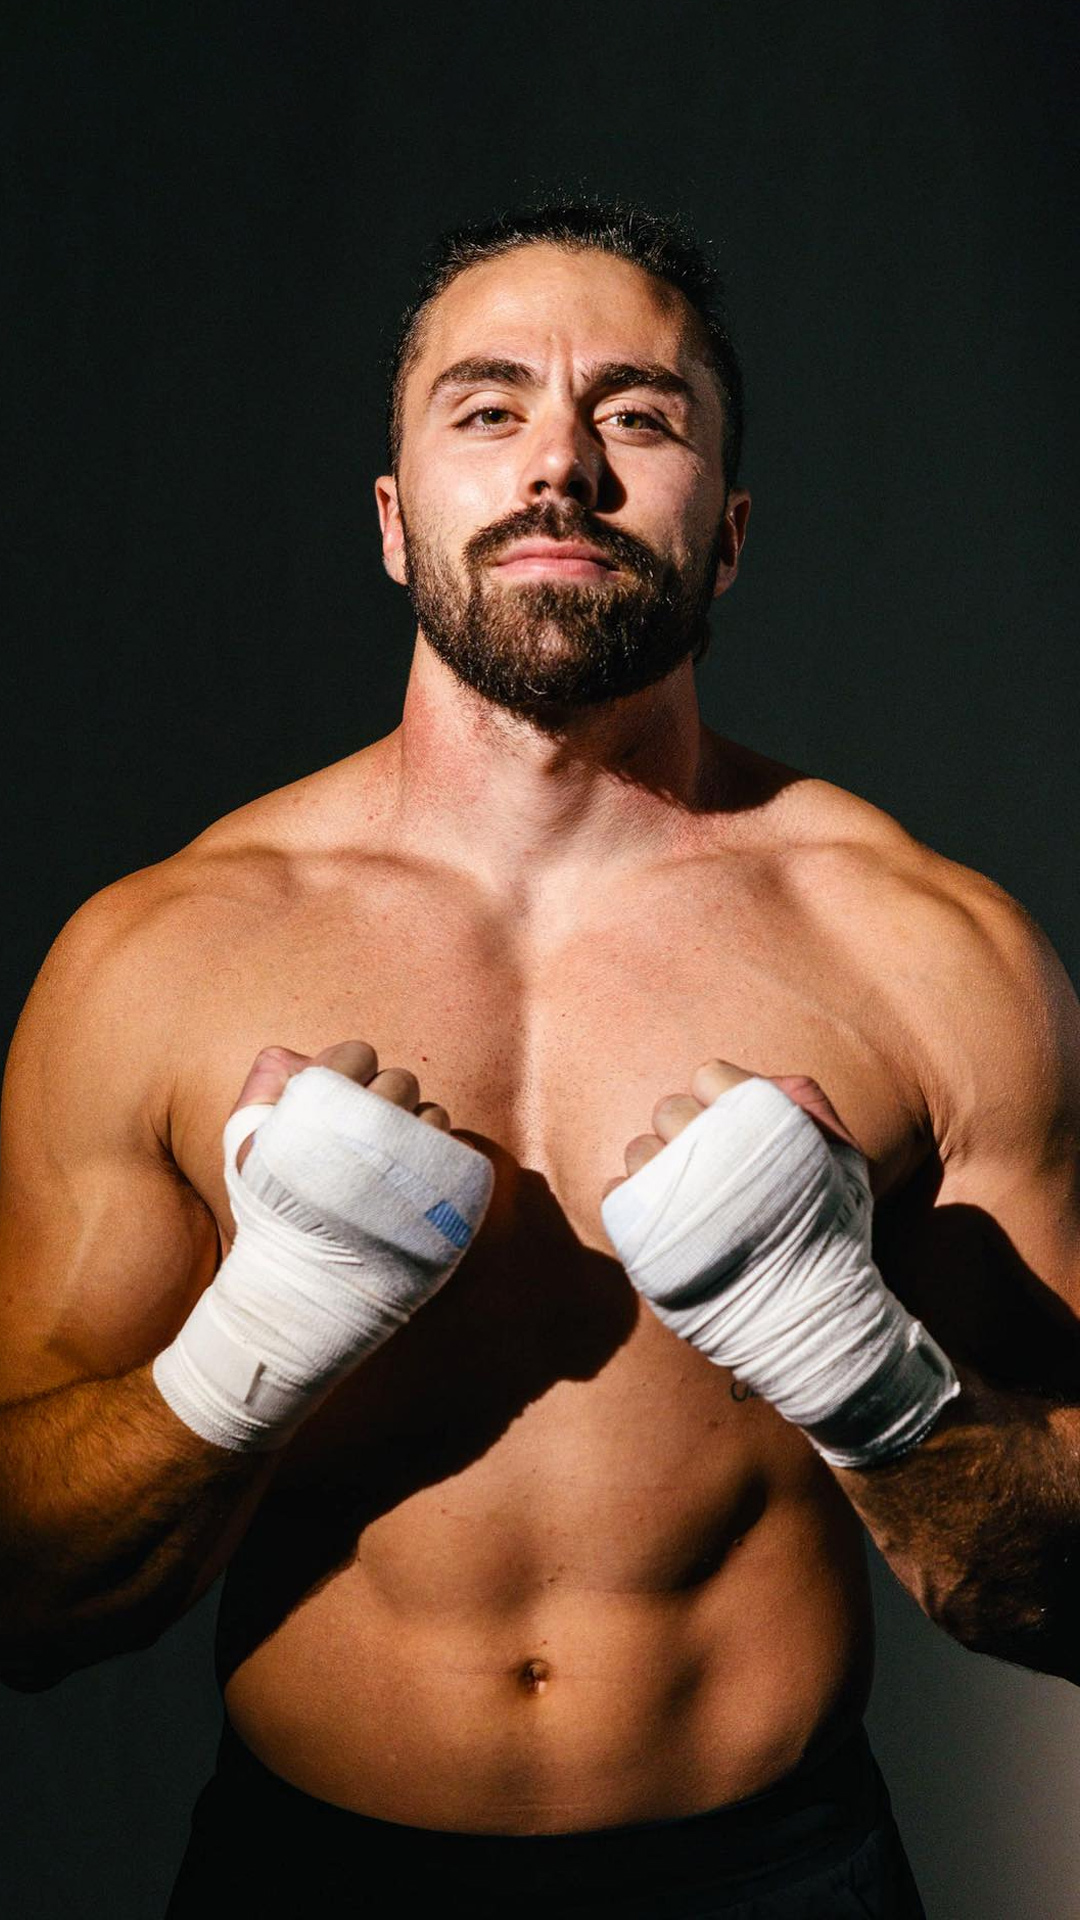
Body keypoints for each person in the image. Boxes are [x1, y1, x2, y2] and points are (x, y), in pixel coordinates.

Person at [1, 203, 1078, 1919]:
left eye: (637, 416)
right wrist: (253, 1342)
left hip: (784, 1877)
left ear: (724, 538)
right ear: (392, 516)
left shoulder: (929, 952)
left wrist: (847, 1355)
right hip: (311, 1879)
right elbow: (24, 1608)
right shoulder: (160, 956)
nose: (559, 466)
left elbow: (1064, 1587)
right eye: (487, 409)